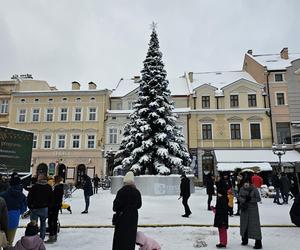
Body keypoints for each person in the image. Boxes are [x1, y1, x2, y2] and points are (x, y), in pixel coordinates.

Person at [112, 171, 142, 250]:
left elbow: (115, 207)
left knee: (120, 240)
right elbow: (139, 205)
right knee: (130, 240)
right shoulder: (137, 192)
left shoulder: (121, 191)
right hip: (133, 219)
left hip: (122, 219)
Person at [0, 175, 27, 248]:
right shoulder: (22, 196)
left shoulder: (3, 195)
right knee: (9, 243)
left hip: (1, 220)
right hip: (14, 220)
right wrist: (17, 212)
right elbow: (23, 209)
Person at [27, 174, 53, 240]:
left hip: (35, 208)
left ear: (39, 179)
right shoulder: (49, 187)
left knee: (33, 224)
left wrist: (30, 206)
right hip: (44, 208)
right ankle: (42, 238)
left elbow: (29, 197)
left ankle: (34, 238)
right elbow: (51, 198)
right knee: (43, 224)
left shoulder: (35, 187)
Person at [239, 178, 262, 249]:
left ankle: (258, 243)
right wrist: (244, 200)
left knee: (254, 226)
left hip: (253, 210)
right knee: (244, 225)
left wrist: (250, 199)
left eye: (247, 183)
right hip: (244, 210)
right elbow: (239, 197)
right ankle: (244, 239)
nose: (246, 184)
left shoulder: (254, 189)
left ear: (250, 183)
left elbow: (259, 199)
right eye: (245, 183)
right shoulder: (241, 189)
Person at [45, 176, 64, 243]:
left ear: (56, 180)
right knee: (54, 221)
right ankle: (54, 235)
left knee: (51, 221)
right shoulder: (60, 187)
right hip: (57, 206)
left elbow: (53, 197)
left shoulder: (56, 187)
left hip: (53, 206)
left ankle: (52, 236)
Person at [212, 174, 229, 248]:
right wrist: (215, 209)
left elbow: (224, 208)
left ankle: (223, 243)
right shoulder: (220, 196)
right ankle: (222, 242)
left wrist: (217, 210)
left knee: (222, 229)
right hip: (220, 215)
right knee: (220, 229)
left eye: (218, 177)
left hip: (222, 216)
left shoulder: (223, 197)